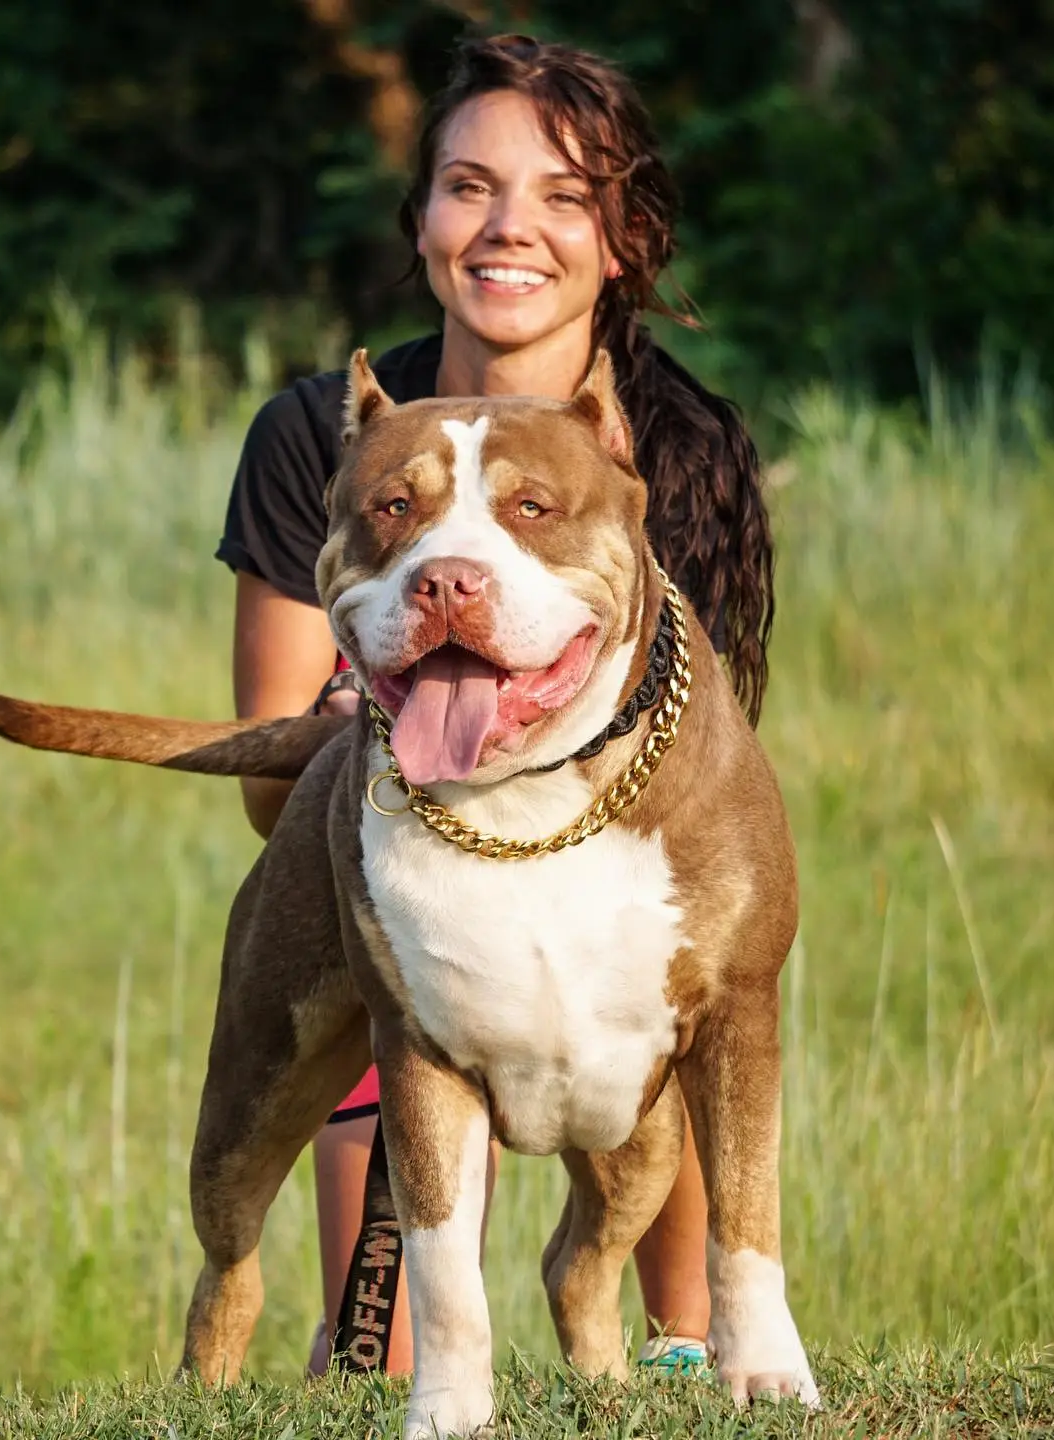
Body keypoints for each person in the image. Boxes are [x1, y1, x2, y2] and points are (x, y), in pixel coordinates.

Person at [214, 32, 774, 1378]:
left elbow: (716, 766)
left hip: (624, 861)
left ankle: (681, 1349)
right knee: (383, 1348)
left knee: (665, 978)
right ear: (418, 227)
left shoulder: (686, 450)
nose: (509, 226)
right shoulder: (325, 436)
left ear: (624, 237)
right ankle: (369, 1361)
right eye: (468, 187)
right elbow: (266, 783)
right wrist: (402, 723)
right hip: (400, 834)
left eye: (564, 196)